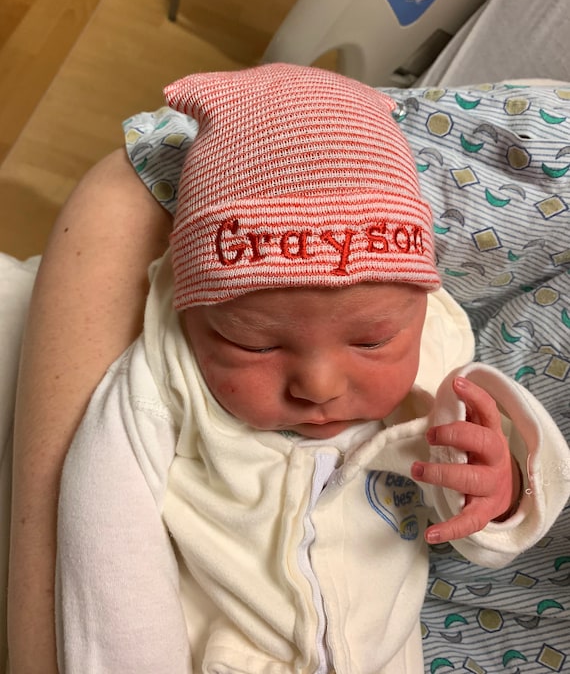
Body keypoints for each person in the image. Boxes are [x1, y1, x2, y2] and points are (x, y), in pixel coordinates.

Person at [53, 64, 569, 673]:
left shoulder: (432, 382)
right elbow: (107, 559)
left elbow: (471, 520)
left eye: (373, 341)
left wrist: (502, 488)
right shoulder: (161, 388)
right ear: (192, 314)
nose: (319, 387)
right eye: (256, 346)